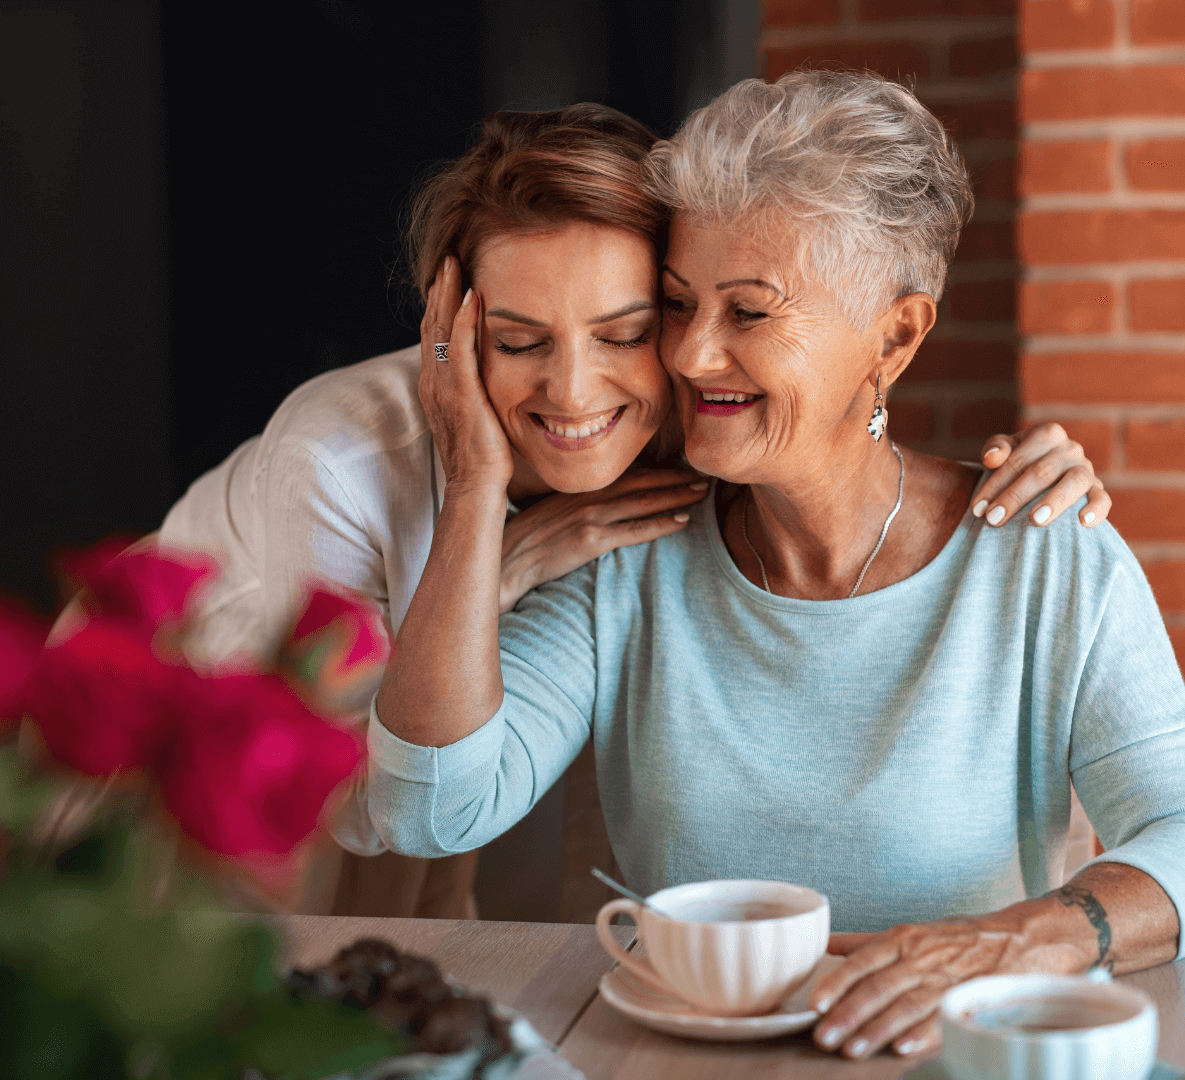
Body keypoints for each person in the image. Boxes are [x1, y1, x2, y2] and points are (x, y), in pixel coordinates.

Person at [369, 71, 1183, 1059]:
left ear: (896, 334)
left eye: (748, 314)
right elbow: (424, 808)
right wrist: (470, 490)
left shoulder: (1044, 557)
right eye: (676, 305)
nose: (691, 355)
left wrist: (1015, 940)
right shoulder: (627, 547)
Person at [161, 104, 1105, 919]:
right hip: (186, 822)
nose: (573, 392)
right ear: (450, 329)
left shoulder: (683, 432)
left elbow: (830, 427)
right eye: (519, 340)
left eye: (627, 332)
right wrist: (495, 530)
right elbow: (366, 801)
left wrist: (1029, 470)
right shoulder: (336, 464)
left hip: (434, 831)